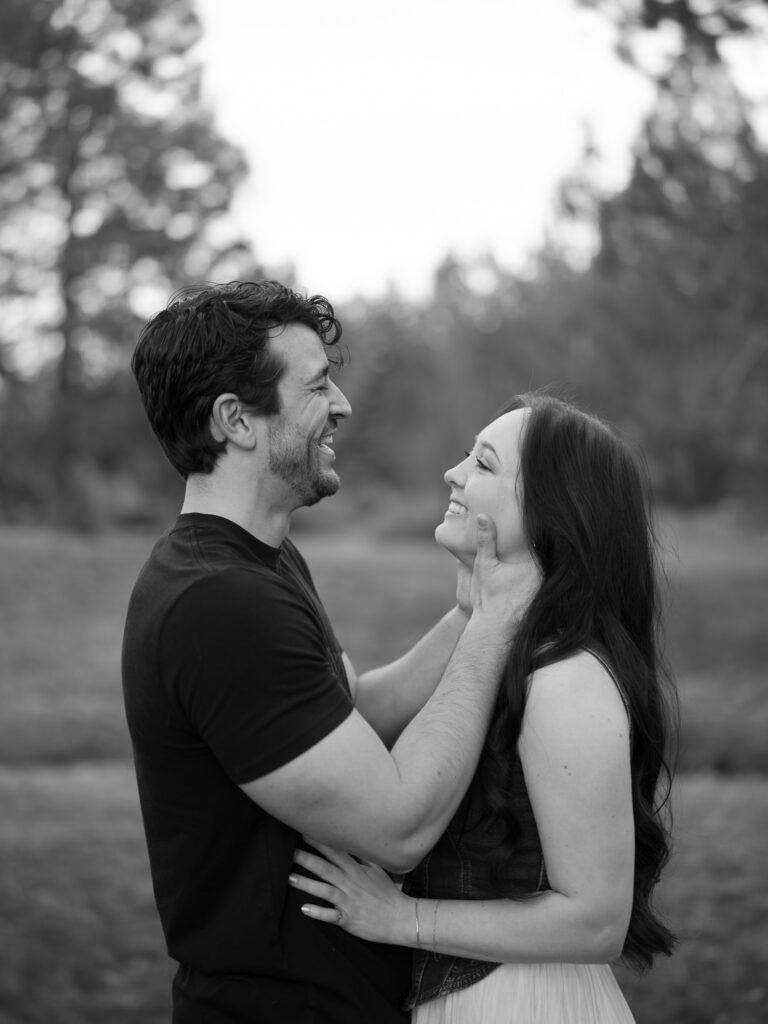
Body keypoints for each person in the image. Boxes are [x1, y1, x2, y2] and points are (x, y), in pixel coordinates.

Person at [121, 280, 540, 1024]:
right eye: (317, 385)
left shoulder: (256, 562)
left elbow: (350, 713)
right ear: (235, 420)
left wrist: (467, 610)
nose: (343, 405)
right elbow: (398, 827)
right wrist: (495, 627)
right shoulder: (219, 603)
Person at [288, 392, 678, 1023]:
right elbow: (358, 714)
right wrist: (477, 612)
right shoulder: (506, 648)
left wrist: (403, 918)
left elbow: (597, 921)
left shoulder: (567, 680)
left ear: (556, 511)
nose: (453, 472)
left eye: (485, 463)